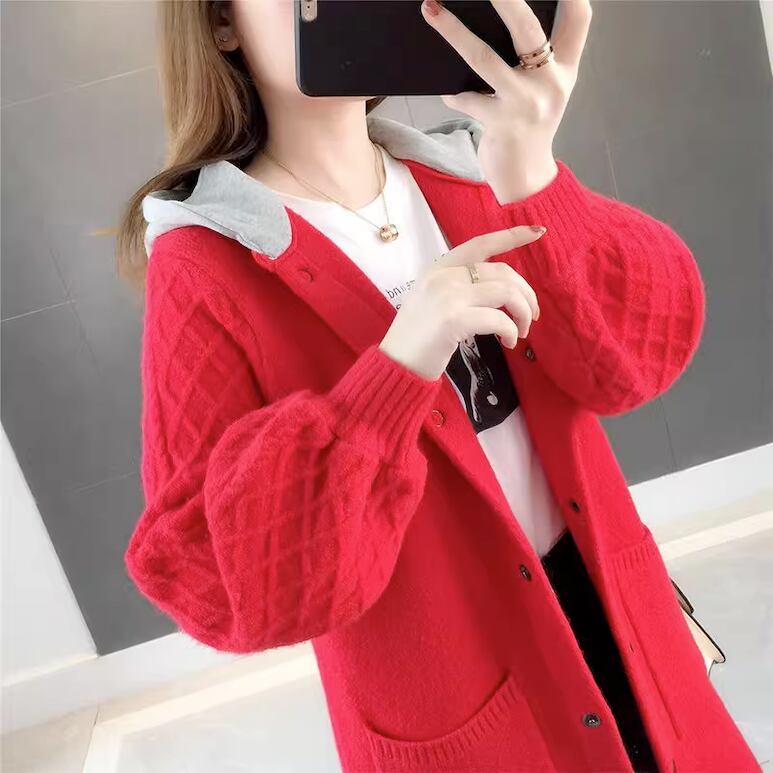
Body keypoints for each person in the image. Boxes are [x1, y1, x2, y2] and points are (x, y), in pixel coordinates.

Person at [117, 1, 761, 772]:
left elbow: (634, 364)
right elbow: (206, 573)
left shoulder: (469, 171)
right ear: (221, 24)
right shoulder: (202, 264)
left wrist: (533, 175)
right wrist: (394, 371)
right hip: (452, 686)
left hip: (617, 609)